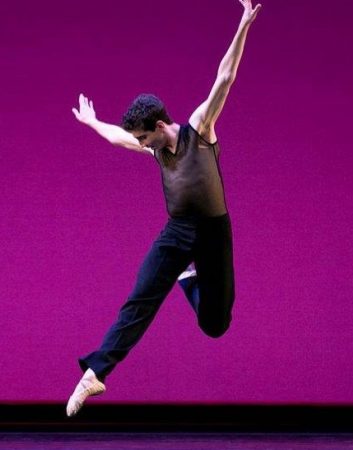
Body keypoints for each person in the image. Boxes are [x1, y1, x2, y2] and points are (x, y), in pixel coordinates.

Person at [66, 0, 262, 417]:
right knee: (140, 298)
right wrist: (93, 123)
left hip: (213, 233)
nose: (140, 144)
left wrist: (243, 24)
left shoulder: (199, 129)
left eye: (144, 137)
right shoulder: (152, 149)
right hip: (177, 231)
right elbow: (120, 139)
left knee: (215, 325)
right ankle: (95, 373)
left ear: (159, 126)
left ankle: (190, 279)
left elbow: (224, 78)